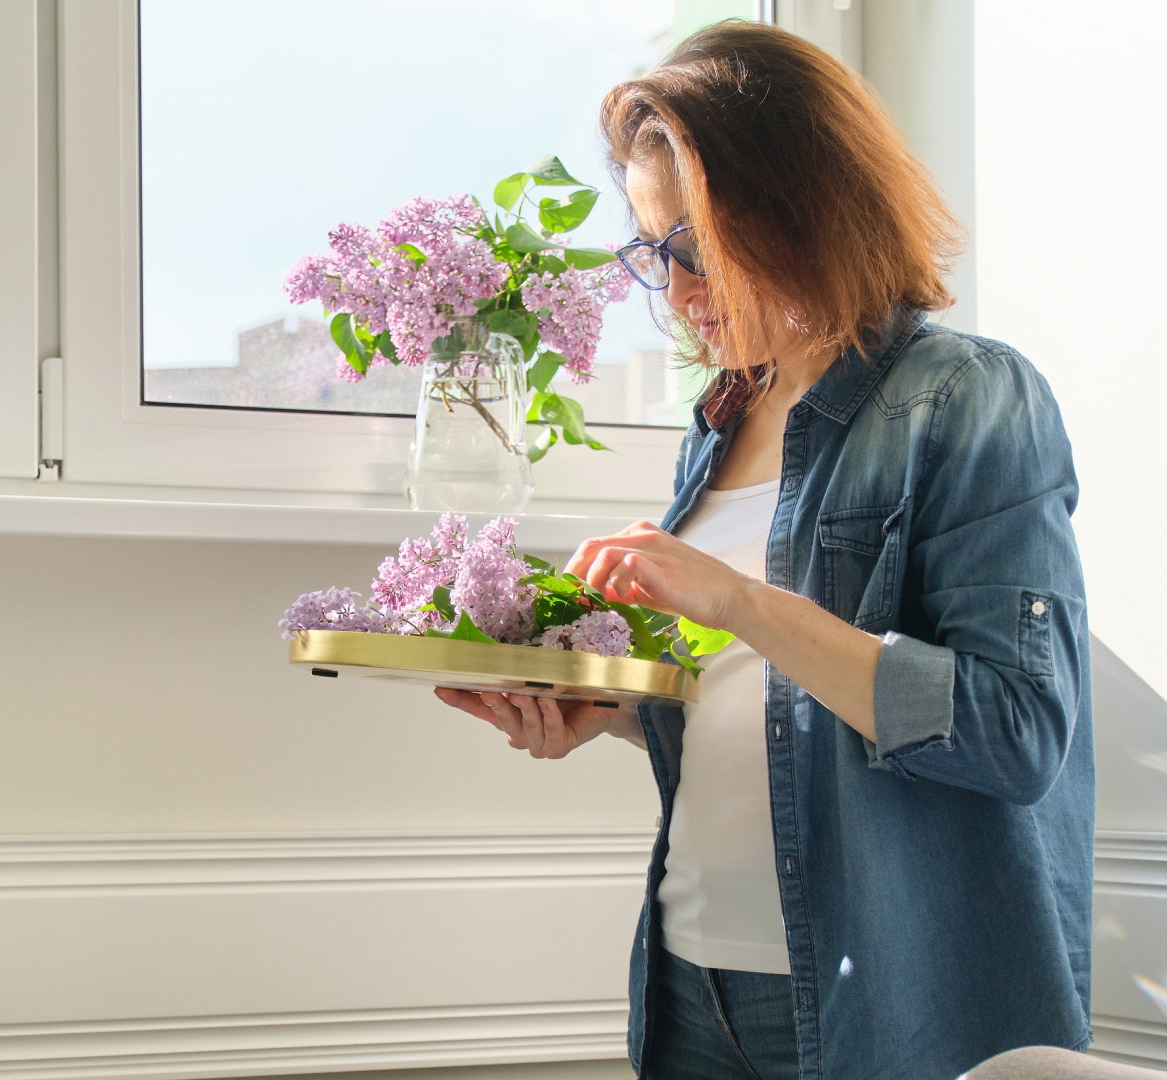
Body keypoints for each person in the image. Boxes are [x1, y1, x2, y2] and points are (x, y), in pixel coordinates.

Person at [435, 20, 1093, 1080]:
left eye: (695, 248)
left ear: (803, 210)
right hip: (692, 978)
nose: (679, 293)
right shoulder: (723, 418)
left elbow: (1015, 732)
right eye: (655, 252)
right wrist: (593, 710)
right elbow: (757, 701)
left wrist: (737, 598)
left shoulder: (966, 397)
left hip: (881, 993)